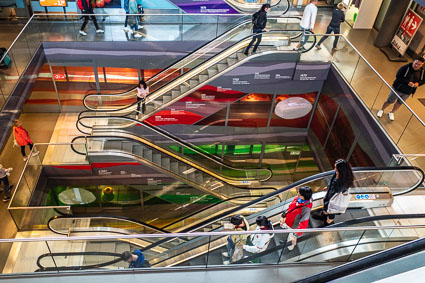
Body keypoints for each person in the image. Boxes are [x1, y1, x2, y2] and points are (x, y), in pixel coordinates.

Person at [314, 159, 353, 226]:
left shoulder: (343, 182)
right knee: (326, 208)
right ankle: (323, 216)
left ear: (341, 170)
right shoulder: (339, 174)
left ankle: (328, 223)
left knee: (331, 212)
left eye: (336, 168)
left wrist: (333, 187)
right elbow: (332, 182)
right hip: (330, 196)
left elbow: (337, 190)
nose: (334, 169)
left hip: (334, 199)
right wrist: (328, 187)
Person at [280, 186, 313, 250]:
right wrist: (284, 215)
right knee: (288, 233)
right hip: (288, 220)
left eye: (299, 194)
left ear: (303, 197)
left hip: (293, 226)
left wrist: (296, 235)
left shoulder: (306, 209)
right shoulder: (297, 199)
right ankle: (288, 241)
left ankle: (290, 247)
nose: (297, 194)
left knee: (291, 237)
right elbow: (291, 207)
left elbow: (304, 224)